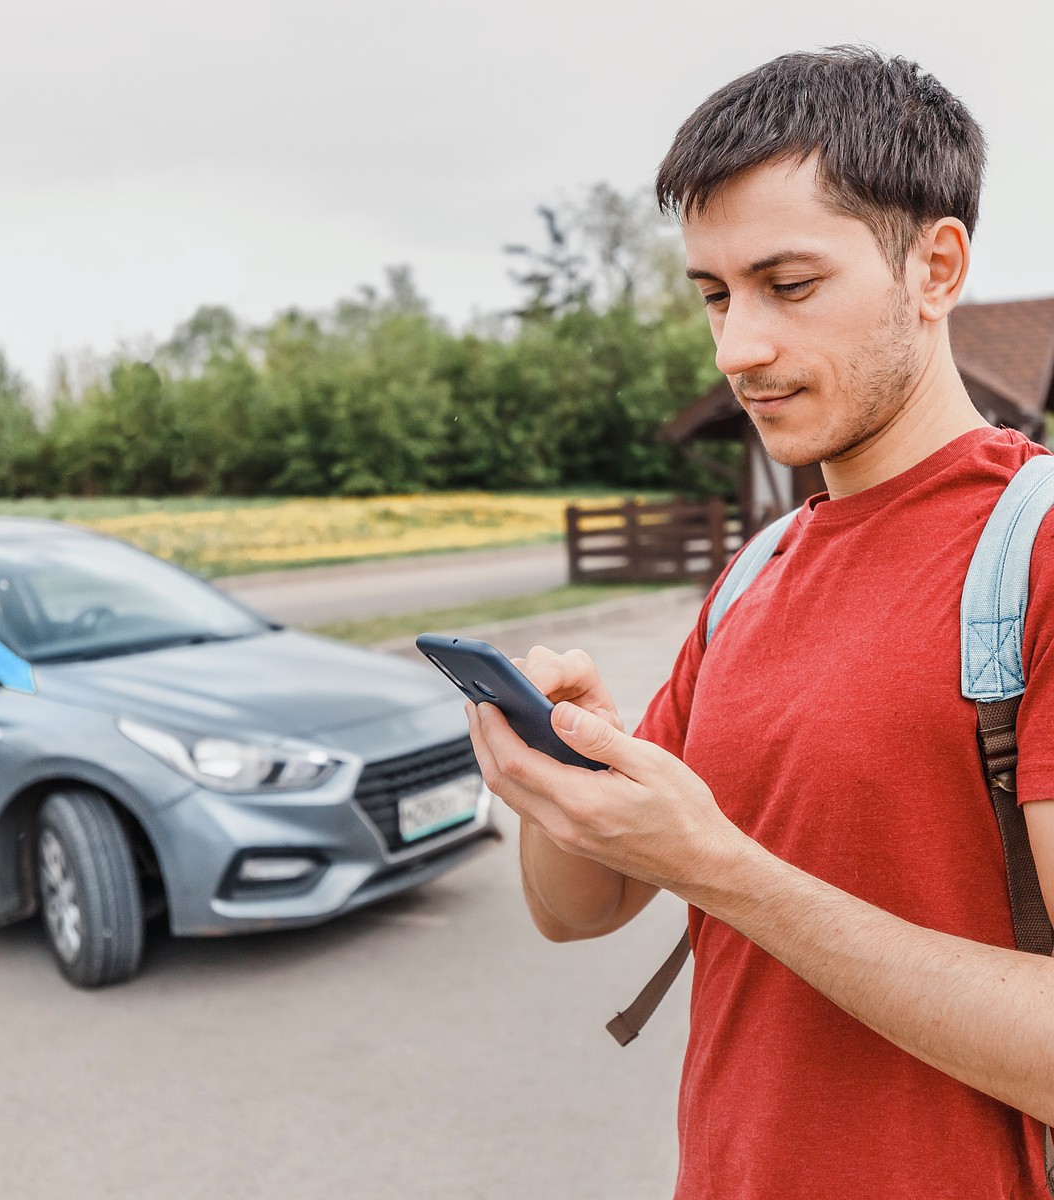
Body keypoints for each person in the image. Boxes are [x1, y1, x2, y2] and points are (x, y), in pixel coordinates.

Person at [466, 47, 1054, 1199]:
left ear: (936, 268)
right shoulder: (756, 573)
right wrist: (552, 773)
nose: (738, 349)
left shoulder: (1035, 552)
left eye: (789, 286)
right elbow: (578, 911)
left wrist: (725, 870)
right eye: (715, 296)